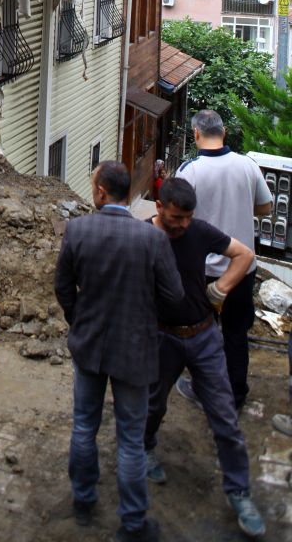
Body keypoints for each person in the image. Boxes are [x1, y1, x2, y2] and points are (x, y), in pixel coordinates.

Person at [54, 160, 184, 542]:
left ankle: (83, 500)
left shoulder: (78, 230)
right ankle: (133, 522)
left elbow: (63, 287)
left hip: (89, 346)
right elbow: (174, 296)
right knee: (129, 439)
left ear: (100, 191)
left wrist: (78, 319)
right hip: (134, 350)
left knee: (84, 425)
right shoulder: (152, 239)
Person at [145, 177, 265, 539]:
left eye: (188, 217)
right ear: (159, 208)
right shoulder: (143, 236)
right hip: (161, 338)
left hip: (203, 335)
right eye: (176, 218)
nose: (183, 224)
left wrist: (220, 289)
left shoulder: (199, 231)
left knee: (224, 414)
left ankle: (239, 492)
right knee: (152, 404)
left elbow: (244, 255)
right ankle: (146, 448)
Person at [177, 110, 273, 408]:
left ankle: (203, 389)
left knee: (201, 333)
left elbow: (177, 215)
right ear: (224, 132)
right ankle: (236, 393)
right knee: (236, 334)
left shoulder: (190, 172)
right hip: (242, 269)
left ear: (196, 134)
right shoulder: (248, 165)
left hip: (204, 270)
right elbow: (266, 206)